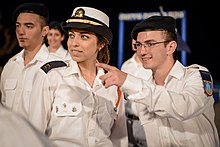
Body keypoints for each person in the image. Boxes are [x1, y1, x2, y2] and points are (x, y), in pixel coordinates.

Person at [96, 15, 219, 147]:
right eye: (139, 45)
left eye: (150, 44)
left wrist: (127, 80)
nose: (142, 51)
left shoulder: (195, 76)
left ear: (170, 47)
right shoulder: (143, 91)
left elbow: (184, 107)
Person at [28, 6, 128, 147]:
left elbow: (119, 139)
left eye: (84, 37)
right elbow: (34, 134)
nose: (74, 43)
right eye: (71, 35)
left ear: (101, 44)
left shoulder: (113, 84)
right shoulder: (52, 76)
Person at [0, 3, 51, 119]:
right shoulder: (11, 65)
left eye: (29, 26)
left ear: (44, 31)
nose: (21, 32)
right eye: (18, 26)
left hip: (40, 136)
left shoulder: (56, 68)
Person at [121, 39, 151, 147]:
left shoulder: (152, 66)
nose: (134, 42)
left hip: (147, 123)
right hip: (128, 122)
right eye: (133, 38)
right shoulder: (126, 65)